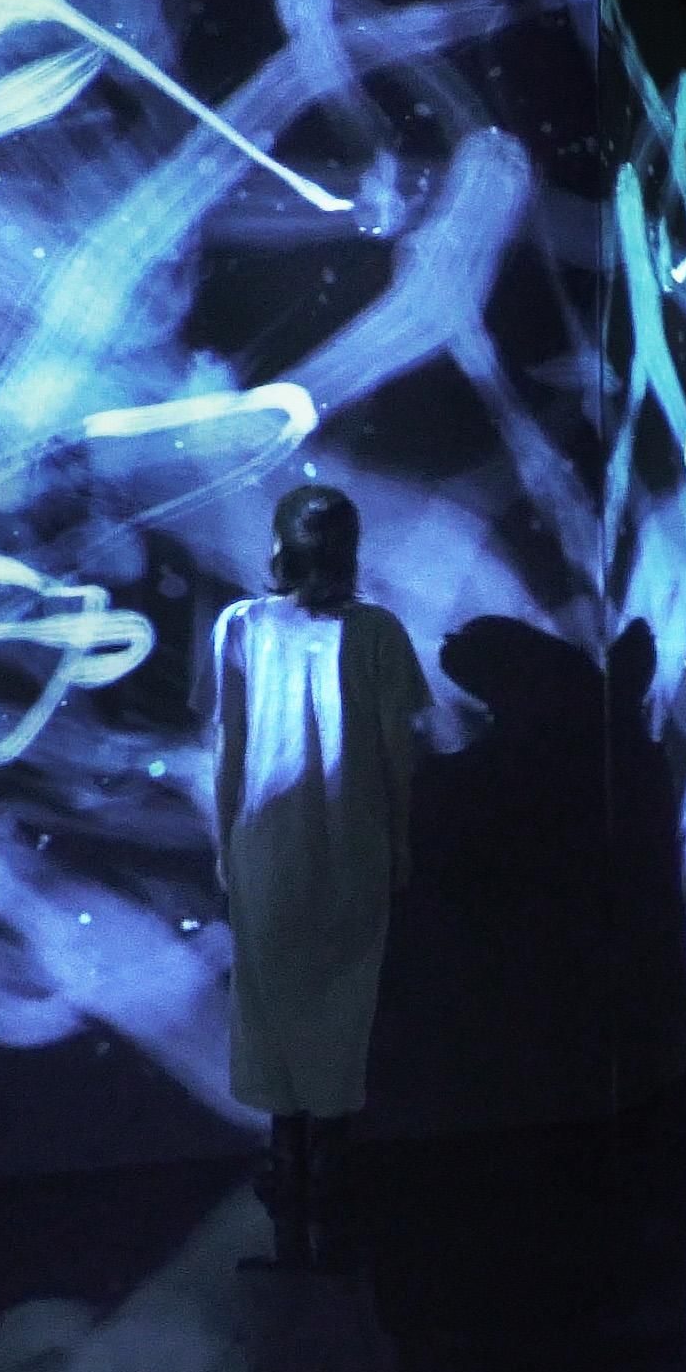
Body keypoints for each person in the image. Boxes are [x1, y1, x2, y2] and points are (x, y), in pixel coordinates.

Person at [214, 483, 430, 1205]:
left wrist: (224, 841)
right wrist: (401, 841)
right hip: (354, 841)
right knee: (343, 1004)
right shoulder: (379, 632)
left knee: (269, 1007)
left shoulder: (241, 626)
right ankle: (329, 1172)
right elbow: (398, 754)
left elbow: (229, 746)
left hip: (263, 846)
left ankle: (287, 1167)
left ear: (280, 545)